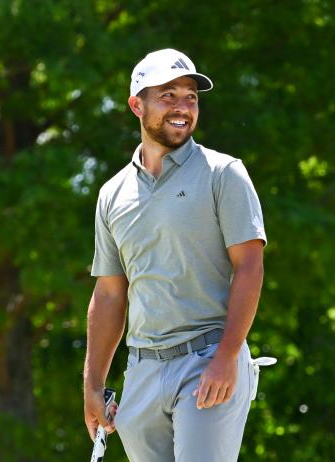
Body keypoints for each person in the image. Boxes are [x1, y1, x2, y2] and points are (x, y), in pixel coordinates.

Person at [83, 48, 267, 462]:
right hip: (142, 373)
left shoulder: (224, 173)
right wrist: (93, 386)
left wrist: (227, 357)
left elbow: (249, 266)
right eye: (168, 95)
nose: (183, 107)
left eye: (191, 97)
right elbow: (110, 294)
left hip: (208, 361)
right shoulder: (112, 194)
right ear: (137, 105)